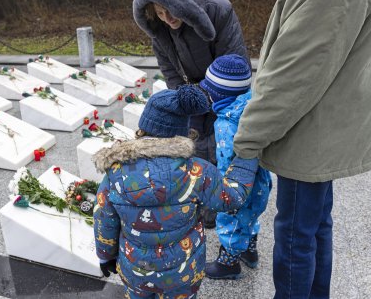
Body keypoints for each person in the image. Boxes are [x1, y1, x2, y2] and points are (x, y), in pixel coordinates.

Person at [228, 0, 371, 297]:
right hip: (323, 117)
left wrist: (248, 142)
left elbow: (301, 65)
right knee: (314, 226)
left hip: (310, 123)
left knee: (297, 233)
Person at [92, 85, 259, 299]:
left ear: (144, 126)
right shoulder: (198, 171)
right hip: (183, 274)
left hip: (136, 272)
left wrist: (105, 255)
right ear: (182, 131)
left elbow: (103, 217)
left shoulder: (116, 171)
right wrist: (247, 157)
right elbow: (232, 198)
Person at [132, 0, 249, 166]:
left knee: (223, 145)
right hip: (190, 90)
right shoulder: (160, 29)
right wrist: (186, 98)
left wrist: (206, 95)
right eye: (160, 13)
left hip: (222, 88)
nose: (167, 19)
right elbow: (170, 71)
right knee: (195, 148)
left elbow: (233, 62)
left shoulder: (216, 9)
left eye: (170, 11)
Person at [199, 54, 272, 280]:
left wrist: (218, 189)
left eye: (209, 90)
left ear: (218, 94)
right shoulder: (251, 110)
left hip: (235, 186)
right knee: (250, 216)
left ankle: (228, 263)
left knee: (230, 221)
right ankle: (250, 252)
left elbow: (225, 160)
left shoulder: (226, 122)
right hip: (259, 181)